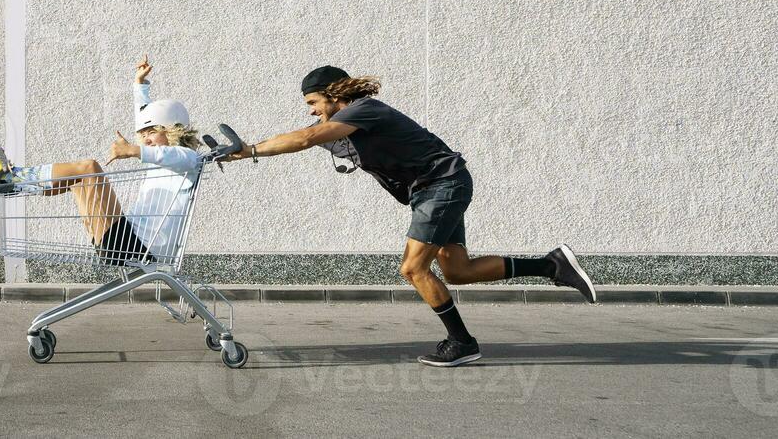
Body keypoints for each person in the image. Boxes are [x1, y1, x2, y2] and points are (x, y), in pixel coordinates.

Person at [231, 65, 597, 368]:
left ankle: (462, 342)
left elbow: (307, 137)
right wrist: (225, 151)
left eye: (313, 101)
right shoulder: (350, 121)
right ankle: (552, 266)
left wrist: (250, 151)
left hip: (441, 185)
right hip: (437, 188)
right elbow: (300, 138)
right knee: (458, 271)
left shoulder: (364, 110)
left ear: (333, 94)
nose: (311, 109)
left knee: (412, 269)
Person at [0, 57, 203, 266]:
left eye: (152, 132)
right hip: (130, 240)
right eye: (142, 135)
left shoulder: (186, 159)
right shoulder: (164, 161)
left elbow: (171, 154)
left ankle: (11, 178)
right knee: (80, 180)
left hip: (138, 246)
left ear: (171, 131)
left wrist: (133, 150)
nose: (145, 138)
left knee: (89, 168)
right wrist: (139, 85)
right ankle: (12, 182)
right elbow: (145, 117)